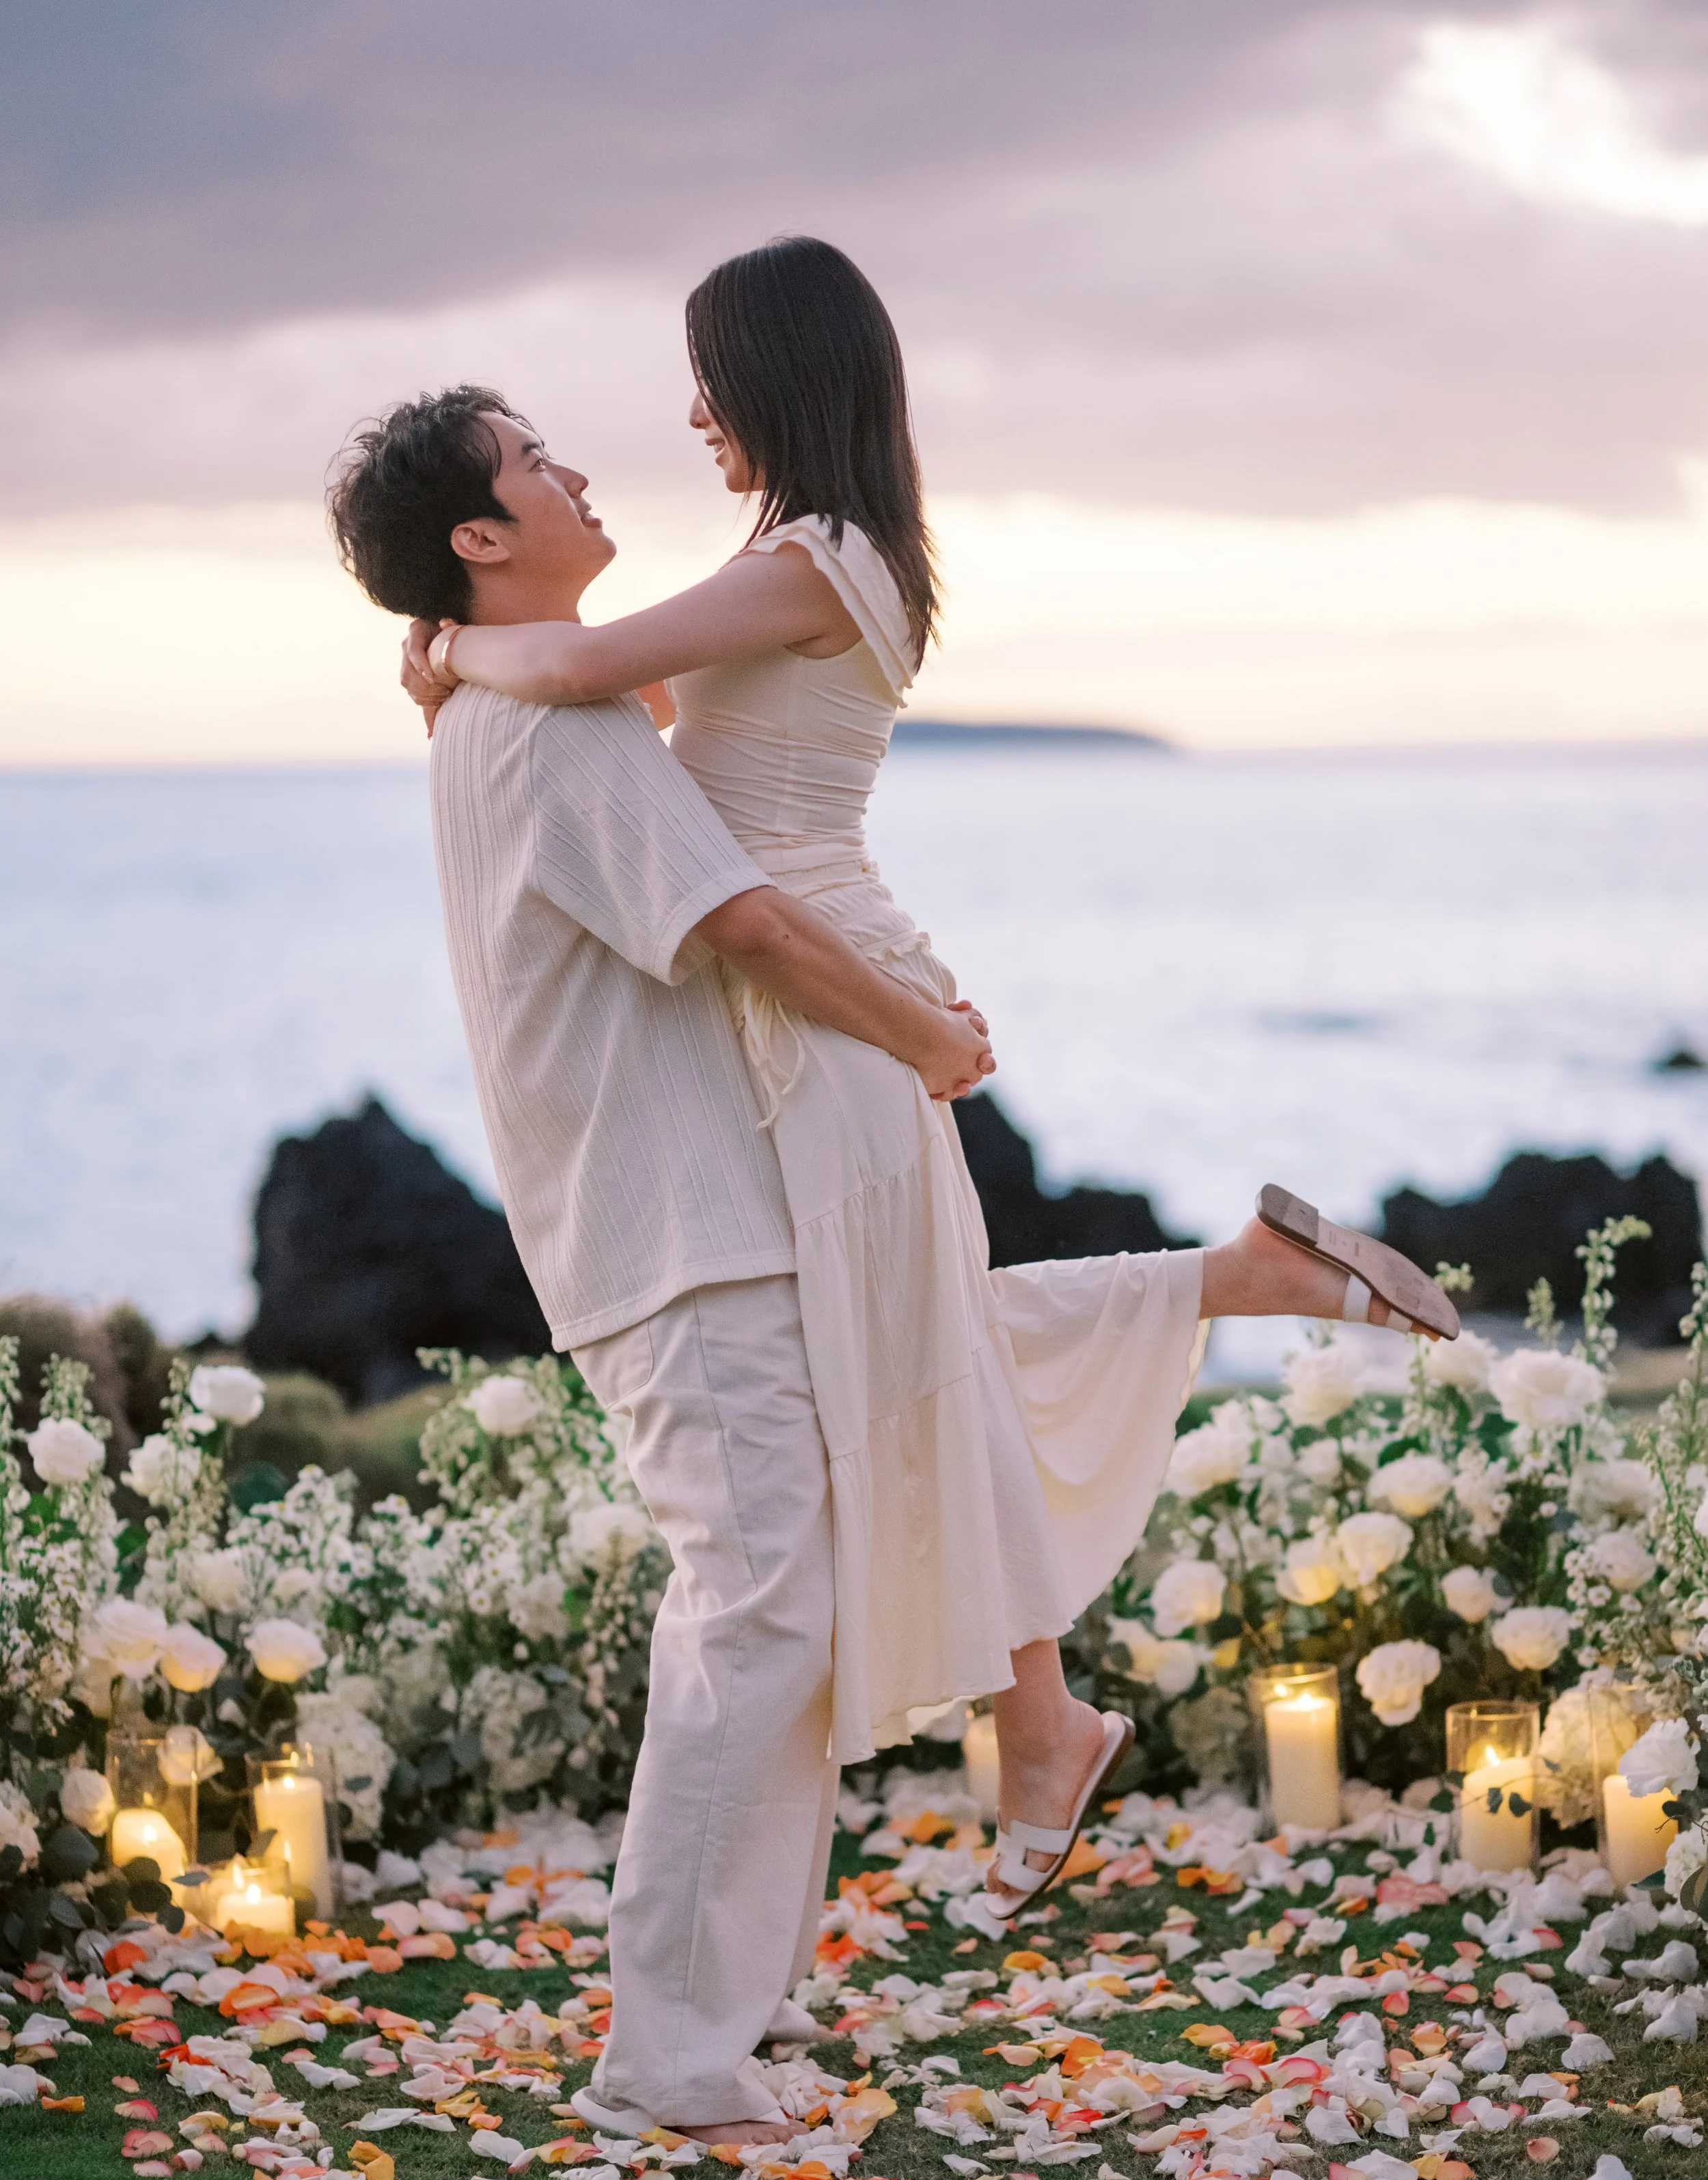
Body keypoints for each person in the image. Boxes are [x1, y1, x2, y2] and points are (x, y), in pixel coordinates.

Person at [399, 238, 1458, 1946]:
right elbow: (660, 702)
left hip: (826, 993)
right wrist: (492, 666)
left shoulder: (820, 555)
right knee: (906, 1346)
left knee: (905, 1354)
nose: (686, 416)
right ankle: (1097, 1581)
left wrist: (455, 650)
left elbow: (589, 676)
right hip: (815, 984)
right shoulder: (802, 557)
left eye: (708, 382)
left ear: (779, 380)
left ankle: (1042, 1711)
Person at [330, 383, 993, 2145]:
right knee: (758, 1607)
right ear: (481, 540)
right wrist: (929, 1037)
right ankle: (672, 2050)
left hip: (666, 1220)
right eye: (533, 464)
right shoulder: (556, 735)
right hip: (673, 1233)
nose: (573, 470)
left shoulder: (522, 707)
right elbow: (749, 928)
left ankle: (715, 2017)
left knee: (773, 1606)